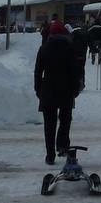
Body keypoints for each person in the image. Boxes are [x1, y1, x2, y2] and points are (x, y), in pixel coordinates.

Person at [34, 21, 81, 165]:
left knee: (49, 124)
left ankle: (50, 155)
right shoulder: (70, 48)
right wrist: (75, 89)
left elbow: (38, 72)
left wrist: (38, 89)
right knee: (65, 120)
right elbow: (75, 72)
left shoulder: (43, 49)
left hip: (48, 89)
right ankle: (62, 146)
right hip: (66, 89)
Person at [71, 24, 89, 92]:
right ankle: (82, 83)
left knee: (74, 68)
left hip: (74, 55)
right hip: (82, 54)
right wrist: (95, 50)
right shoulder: (86, 34)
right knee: (81, 69)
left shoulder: (73, 33)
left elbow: (70, 43)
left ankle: (75, 83)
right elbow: (90, 43)